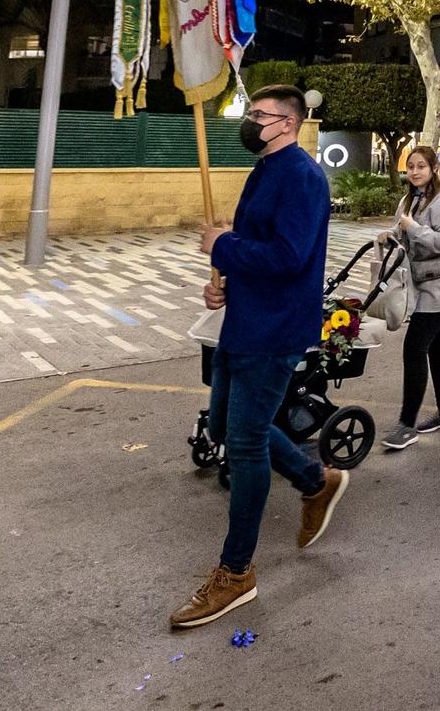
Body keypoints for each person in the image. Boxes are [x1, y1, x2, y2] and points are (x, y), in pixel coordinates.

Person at [175, 84, 345, 629]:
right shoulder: (264, 170)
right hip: (241, 321)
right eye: (250, 113)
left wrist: (221, 247)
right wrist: (220, 282)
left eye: (260, 115)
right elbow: (254, 248)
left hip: (273, 332)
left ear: (289, 123)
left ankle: (236, 570)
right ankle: (316, 480)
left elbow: (290, 256)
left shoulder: (301, 176)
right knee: (226, 424)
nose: (250, 122)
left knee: (245, 443)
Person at [381, 147, 440, 451]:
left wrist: (413, 228)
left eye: (420, 167)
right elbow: (400, 233)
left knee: (414, 348)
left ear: (433, 169)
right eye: (410, 167)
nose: (414, 172)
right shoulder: (409, 199)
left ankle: (406, 425)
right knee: (437, 348)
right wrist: (388, 236)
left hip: (439, 287)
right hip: (418, 285)